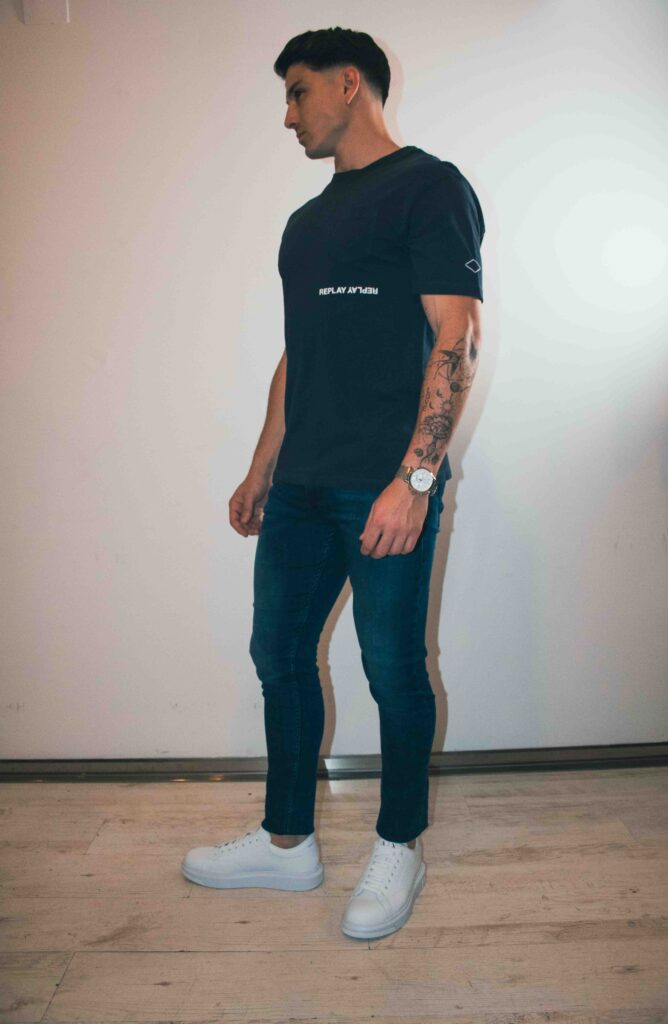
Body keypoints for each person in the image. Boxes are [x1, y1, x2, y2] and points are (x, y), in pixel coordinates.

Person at [182, 26, 485, 941]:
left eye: (298, 91)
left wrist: (415, 478)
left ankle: (399, 844)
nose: (288, 116)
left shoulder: (430, 187)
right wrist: (260, 466)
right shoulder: (305, 225)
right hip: (303, 486)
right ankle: (287, 844)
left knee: (392, 669)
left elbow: (457, 334)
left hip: (383, 483)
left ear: (350, 84)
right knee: (277, 655)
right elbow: (299, 354)